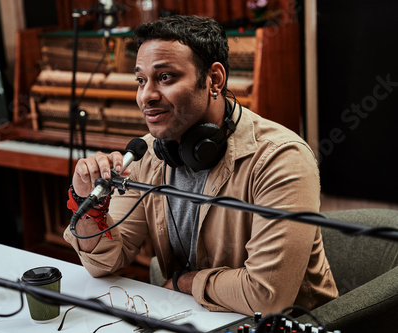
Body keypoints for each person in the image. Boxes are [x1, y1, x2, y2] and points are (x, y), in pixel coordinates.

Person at [64, 15, 338, 316]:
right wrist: (87, 203)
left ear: (214, 80)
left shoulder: (281, 158)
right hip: (194, 316)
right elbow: (103, 263)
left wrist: (185, 282)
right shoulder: (151, 154)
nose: (146, 96)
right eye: (141, 80)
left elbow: (267, 297)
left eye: (165, 77)